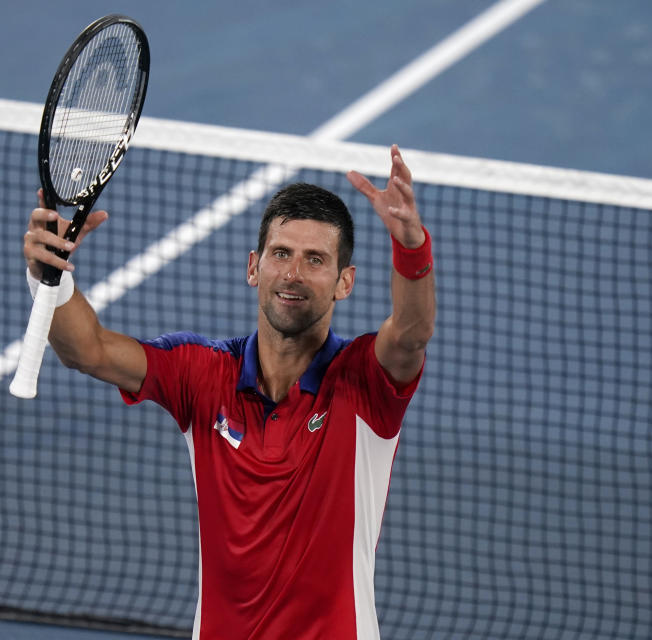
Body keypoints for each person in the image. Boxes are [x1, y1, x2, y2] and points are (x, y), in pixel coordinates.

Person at [22, 144, 436, 639]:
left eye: (315, 260)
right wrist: (48, 277)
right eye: (281, 254)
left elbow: (410, 332)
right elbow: (86, 350)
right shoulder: (202, 374)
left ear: (344, 282)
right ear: (253, 267)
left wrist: (411, 245)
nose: (293, 274)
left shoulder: (364, 382)